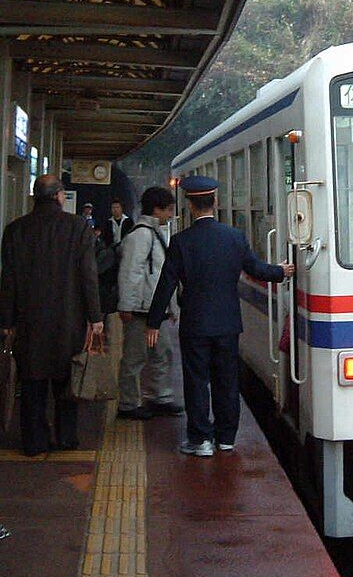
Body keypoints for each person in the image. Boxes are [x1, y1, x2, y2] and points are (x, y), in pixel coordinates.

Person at [145, 176, 295, 457]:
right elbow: (255, 268)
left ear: (190, 205)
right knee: (227, 380)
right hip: (227, 323)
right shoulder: (234, 237)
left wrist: (154, 322)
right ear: (215, 202)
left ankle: (200, 439)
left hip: (195, 324)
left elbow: (166, 284)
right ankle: (226, 437)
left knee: (197, 380)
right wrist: (281, 271)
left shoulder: (180, 242)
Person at [0, 175, 103, 456]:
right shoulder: (78, 227)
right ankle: (66, 437)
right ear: (59, 195)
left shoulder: (14, 230)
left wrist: (6, 322)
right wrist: (96, 318)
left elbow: (7, 280)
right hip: (68, 321)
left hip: (28, 321)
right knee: (66, 383)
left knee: (32, 383)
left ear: (35, 196)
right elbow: (88, 277)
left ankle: (33, 442)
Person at [117, 187, 182, 420]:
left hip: (156, 309)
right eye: (169, 210)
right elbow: (130, 272)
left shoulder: (155, 234)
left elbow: (163, 276)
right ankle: (128, 403)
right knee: (135, 357)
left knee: (162, 354)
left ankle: (160, 396)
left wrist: (171, 307)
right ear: (157, 209)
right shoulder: (141, 236)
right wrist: (126, 305)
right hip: (139, 310)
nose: (171, 214)